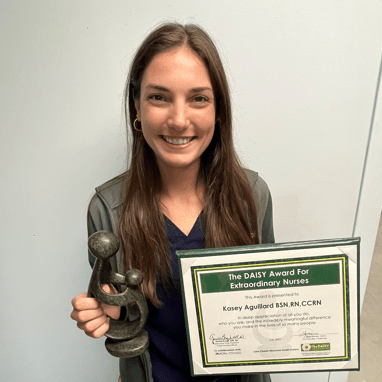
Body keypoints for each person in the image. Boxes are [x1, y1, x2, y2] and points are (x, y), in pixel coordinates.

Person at [71, 22, 274, 382]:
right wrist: (106, 314)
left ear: (219, 110)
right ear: (136, 107)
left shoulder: (252, 196)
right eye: (159, 97)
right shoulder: (107, 209)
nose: (179, 120)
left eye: (198, 98)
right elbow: (119, 312)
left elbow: (268, 306)